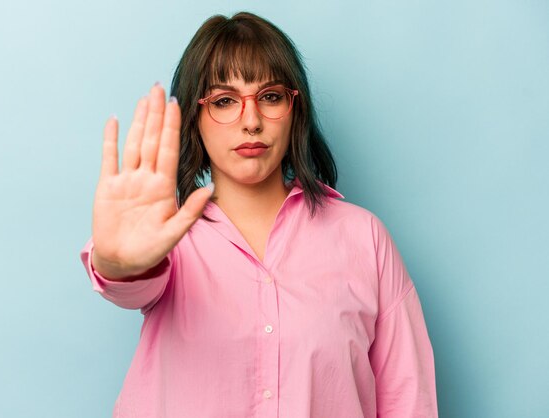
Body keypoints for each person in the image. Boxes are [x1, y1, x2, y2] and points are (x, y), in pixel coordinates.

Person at [79, 11, 438, 418]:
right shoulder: (165, 237)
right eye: (224, 101)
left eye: (270, 97)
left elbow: (408, 402)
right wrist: (116, 263)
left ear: (294, 109)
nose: (251, 122)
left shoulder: (364, 238)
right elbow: (127, 280)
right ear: (194, 119)